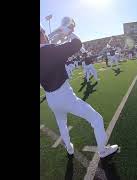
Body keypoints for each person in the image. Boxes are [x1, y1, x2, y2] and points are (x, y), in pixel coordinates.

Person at [40, 24, 119, 159]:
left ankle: (69, 149)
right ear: (41, 34)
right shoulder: (50, 49)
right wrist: (68, 32)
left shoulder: (50, 49)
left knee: (62, 123)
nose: (47, 35)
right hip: (65, 96)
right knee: (97, 119)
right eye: (44, 33)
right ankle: (103, 150)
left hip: (51, 99)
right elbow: (77, 44)